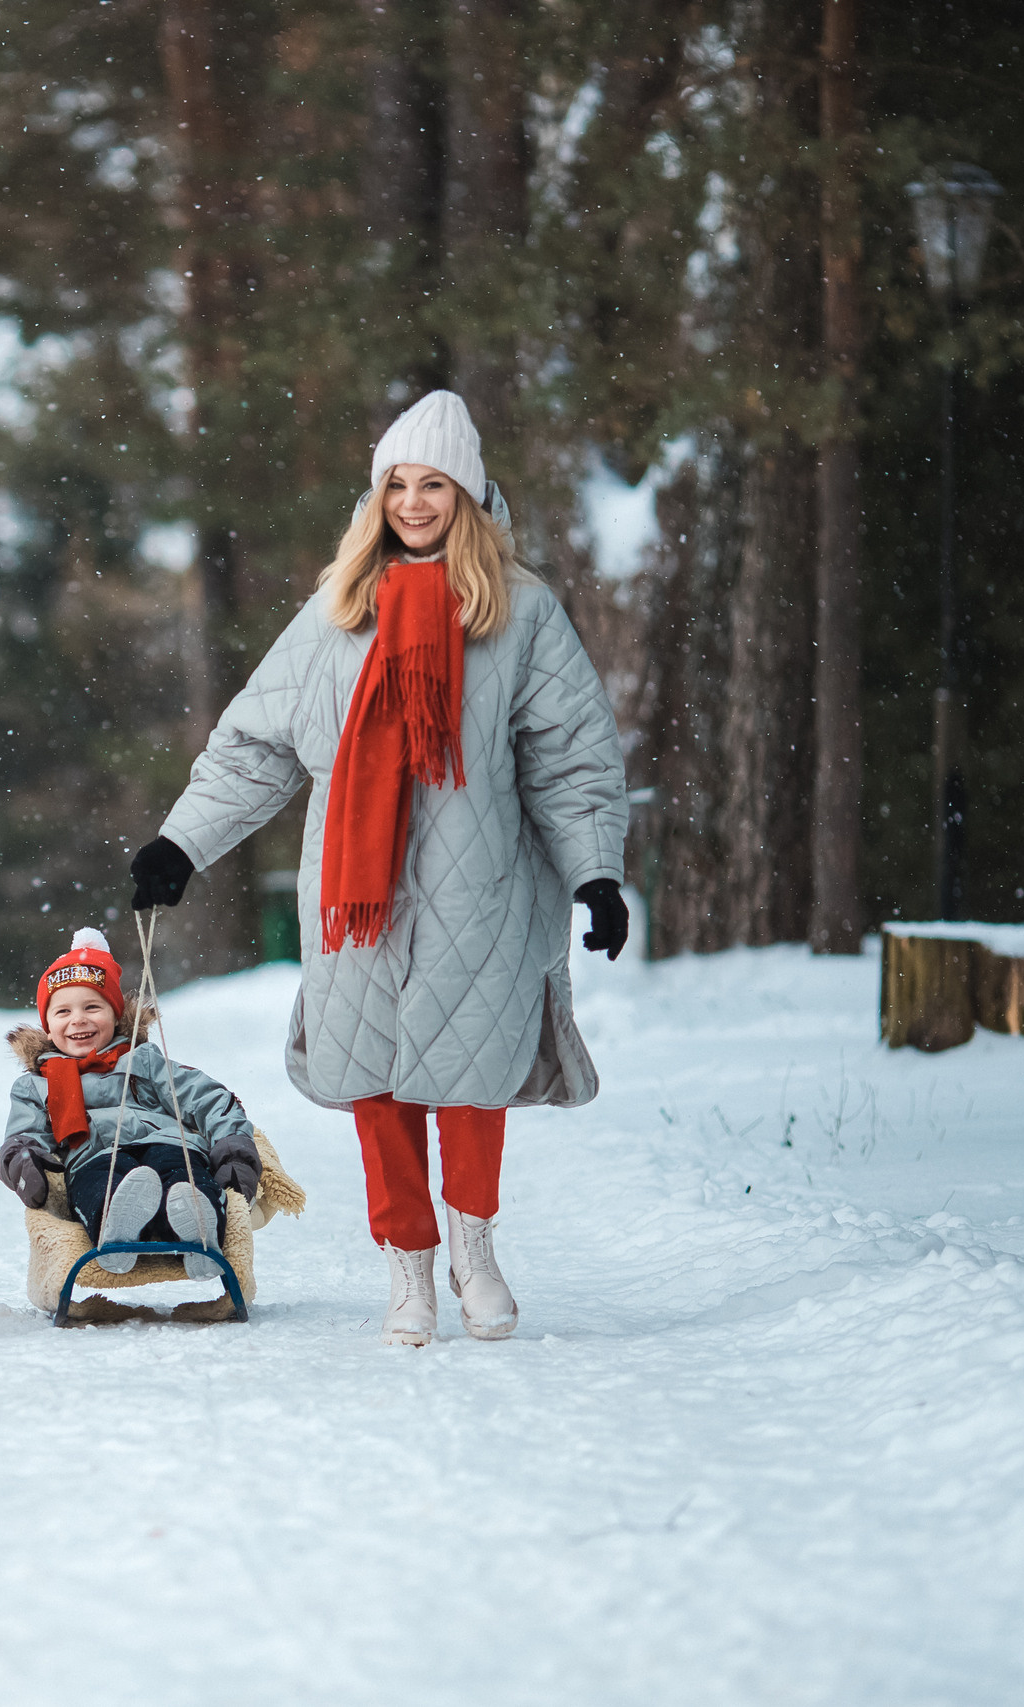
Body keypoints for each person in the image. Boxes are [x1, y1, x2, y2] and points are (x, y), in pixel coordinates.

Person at [127, 390, 629, 1347]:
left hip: (481, 891)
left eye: (432, 483)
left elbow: (572, 757)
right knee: (378, 1090)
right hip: (356, 898)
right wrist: (182, 841)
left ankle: (473, 1254)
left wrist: (595, 872)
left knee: (473, 1084)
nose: (412, 501)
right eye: (396, 483)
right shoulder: (335, 616)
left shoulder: (519, 615)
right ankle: (408, 1272)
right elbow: (255, 747)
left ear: (470, 494)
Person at [0, 928, 262, 1282]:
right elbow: (23, 1133)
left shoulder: (142, 1059)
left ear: (115, 1014)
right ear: (47, 1024)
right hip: (93, 1155)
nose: (78, 1019)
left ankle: (199, 1229)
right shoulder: (37, 1084)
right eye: (63, 1012)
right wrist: (22, 1159)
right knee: (100, 1183)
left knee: (182, 1175)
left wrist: (232, 1146)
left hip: (169, 1142)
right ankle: (114, 1227)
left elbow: (205, 1097)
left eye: (92, 1007)